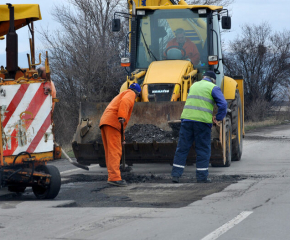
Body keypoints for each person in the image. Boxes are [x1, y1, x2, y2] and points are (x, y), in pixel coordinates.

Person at [171, 71, 227, 183]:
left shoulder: (193, 85)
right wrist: (219, 117)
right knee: (202, 149)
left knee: (182, 148)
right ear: (213, 80)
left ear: (203, 77)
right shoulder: (213, 87)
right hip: (202, 122)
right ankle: (201, 177)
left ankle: (176, 175)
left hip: (186, 121)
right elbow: (223, 104)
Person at [99, 83, 141, 187]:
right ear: (137, 94)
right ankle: (115, 178)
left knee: (110, 152)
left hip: (106, 122)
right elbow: (125, 102)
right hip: (113, 123)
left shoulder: (123, 93)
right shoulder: (130, 94)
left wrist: (122, 138)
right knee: (115, 152)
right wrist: (122, 115)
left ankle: (112, 176)